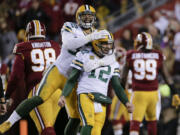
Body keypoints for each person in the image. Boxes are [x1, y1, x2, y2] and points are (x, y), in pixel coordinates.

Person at [0, 4, 114, 135]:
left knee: (75, 117)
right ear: (78, 17)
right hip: (58, 71)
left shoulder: (97, 34)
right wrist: (91, 38)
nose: (88, 19)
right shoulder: (70, 26)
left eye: (90, 16)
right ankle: (9, 122)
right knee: (39, 97)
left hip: (73, 78)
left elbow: (108, 55)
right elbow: (70, 43)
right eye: (85, 16)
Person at [58, 30, 133, 135]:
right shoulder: (84, 55)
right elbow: (72, 79)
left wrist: (126, 102)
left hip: (101, 98)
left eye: (109, 44)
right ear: (96, 43)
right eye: (104, 43)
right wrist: (63, 95)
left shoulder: (113, 62)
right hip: (85, 94)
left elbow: (117, 86)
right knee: (88, 124)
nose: (107, 47)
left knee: (96, 131)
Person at [4, 20, 61, 135]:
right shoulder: (55, 45)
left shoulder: (23, 48)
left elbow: (15, 77)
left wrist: (7, 96)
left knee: (47, 130)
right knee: (48, 127)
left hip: (39, 92)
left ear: (28, 33)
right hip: (58, 92)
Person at [120, 32, 180, 135]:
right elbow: (167, 77)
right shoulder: (158, 55)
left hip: (138, 93)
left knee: (135, 122)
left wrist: (121, 92)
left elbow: (123, 78)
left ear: (138, 43)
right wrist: (175, 92)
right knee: (152, 121)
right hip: (154, 94)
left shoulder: (131, 55)